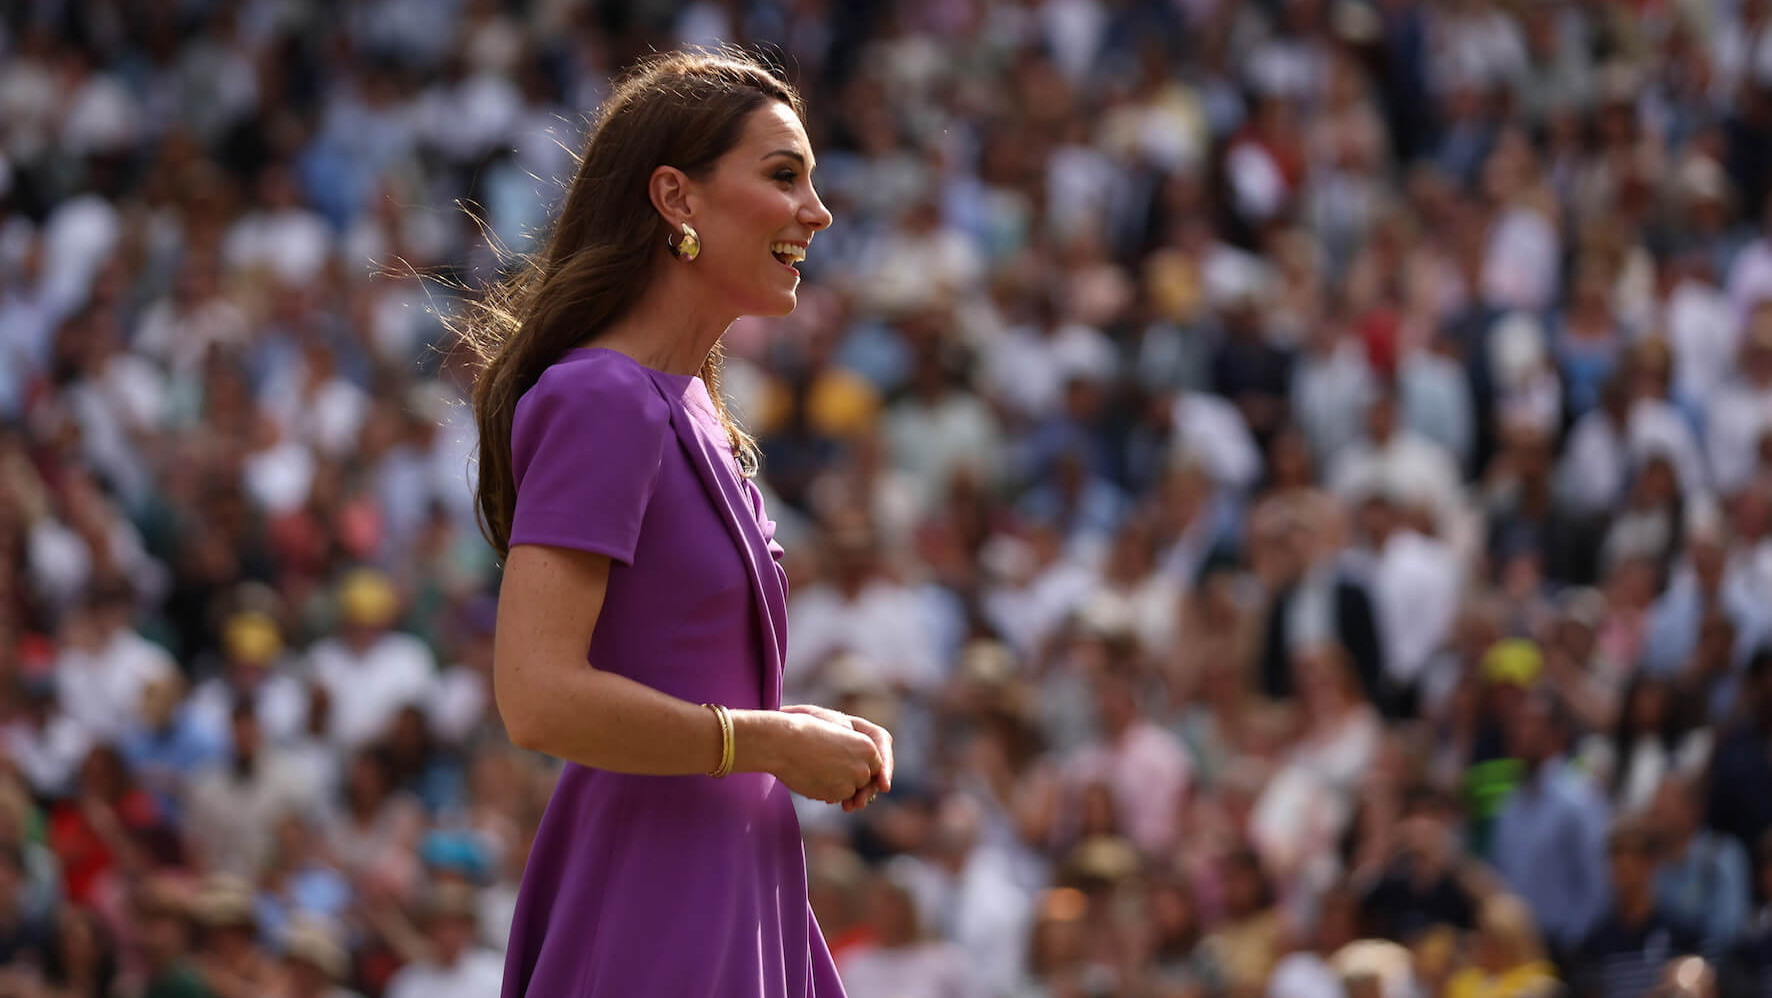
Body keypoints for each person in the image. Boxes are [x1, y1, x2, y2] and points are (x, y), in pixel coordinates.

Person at [463, 49, 891, 997]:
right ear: (676, 198)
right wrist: (768, 742)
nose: (816, 212)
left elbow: (676, 664)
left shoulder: (690, 403)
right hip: (656, 898)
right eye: (784, 176)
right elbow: (536, 696)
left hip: (738, 876)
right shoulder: (602, 396)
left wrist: (779, 726)